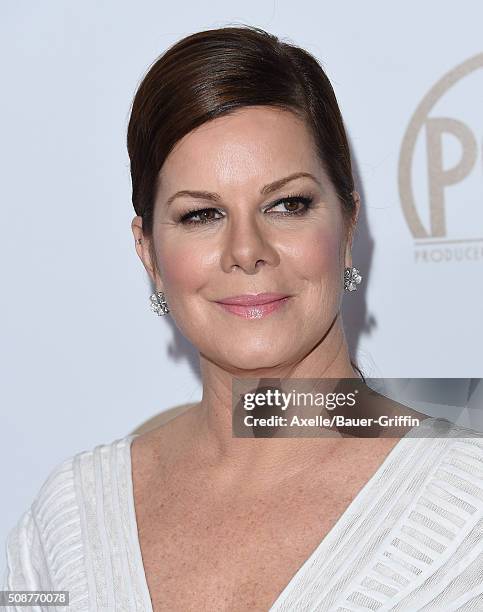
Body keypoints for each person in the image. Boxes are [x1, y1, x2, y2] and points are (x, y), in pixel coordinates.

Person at [3, 25, 483, 612]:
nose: (246, 249)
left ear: (349, 227)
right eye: (202, 214)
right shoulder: (68, 518)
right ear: (149, 253)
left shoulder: (469, 512)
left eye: (287, 205)